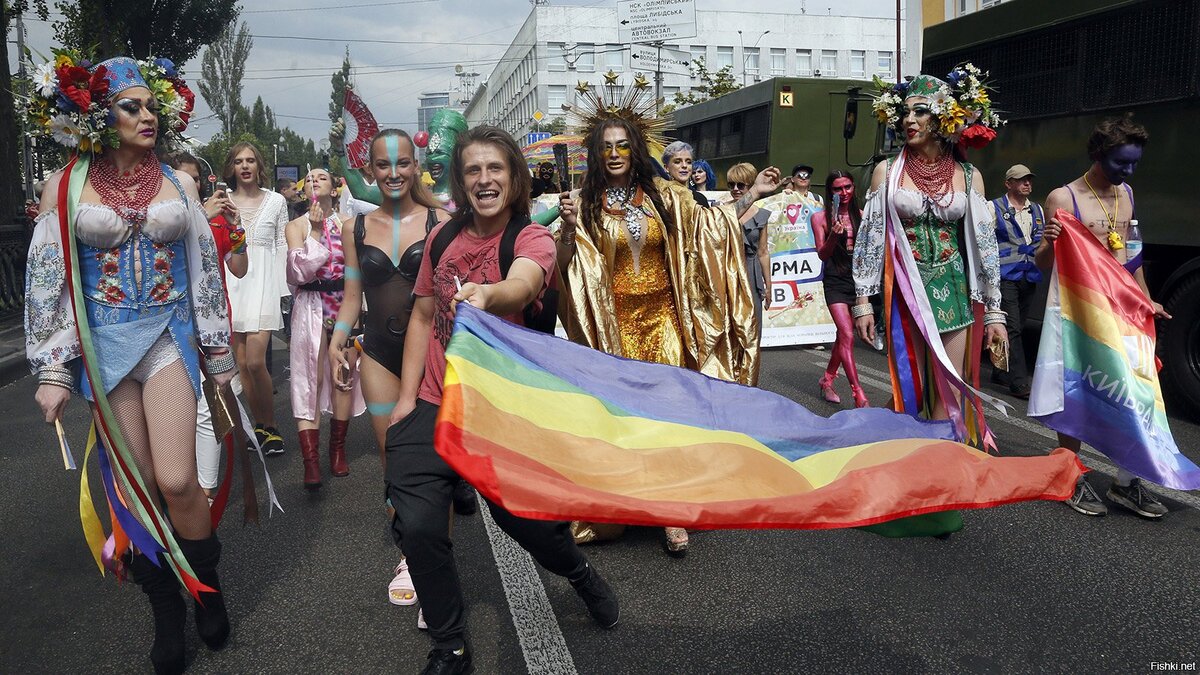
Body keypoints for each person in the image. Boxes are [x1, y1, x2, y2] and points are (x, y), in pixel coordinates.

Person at [25, 54, 233, 673]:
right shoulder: (65, 185)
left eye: (152, 106)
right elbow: (46, 278)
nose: (148, 116)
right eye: (132, 106)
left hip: (168, 336)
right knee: (136, 491)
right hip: (103, 347)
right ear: (97, 115)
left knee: (174, 478)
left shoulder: (179, 182)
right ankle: (166, 612)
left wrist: (218, 352)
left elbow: (203, 267)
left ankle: (207, 586)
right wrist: (54, 371)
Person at [386, 126, 620, 674]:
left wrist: (487, 295)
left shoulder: (529, 238)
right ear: (460, 181)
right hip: (433, 401)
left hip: (502, 412)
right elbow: (423, 315)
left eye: (495, 169)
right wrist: (403, 402)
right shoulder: (442, 239)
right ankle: (450, 646)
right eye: (472, 170)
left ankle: (579, 573)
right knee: (418, 526)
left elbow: (522, 284)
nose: (484, 179)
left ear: (513, 178)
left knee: (531, 528)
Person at [557, 81, 773, 555]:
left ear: (635, 150)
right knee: (622, 420)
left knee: (670, 418)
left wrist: (752, 192)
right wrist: (569, 230)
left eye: (622, 145)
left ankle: (673, 511)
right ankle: (628, 503)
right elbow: (569, 268)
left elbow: (711, 227)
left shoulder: (665, 195)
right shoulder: (585, 202)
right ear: (596, 153)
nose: (614, 154)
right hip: (613, 331)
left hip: (665, 322)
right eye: (606, 147)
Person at [328, 128, 456, 608]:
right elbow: (352, 299)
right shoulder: (355, 229)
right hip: (379, 355)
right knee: (395, 462)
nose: (394, 172)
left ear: (415, 165)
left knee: (430, 462)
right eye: (384, 164)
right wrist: (338, 340)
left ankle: (435, 562)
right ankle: (410, 553)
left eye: (403, 163)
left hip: (429, 358)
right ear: (370, 170)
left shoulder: (442, 223)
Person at [853, 67, 1007, 444]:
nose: (909, 120)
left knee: (950, 395)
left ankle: (938, 476)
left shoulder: (968, 176)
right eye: (904, 112)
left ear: (943, 117)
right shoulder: (886, 172)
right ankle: (901, 468)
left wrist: (995, 312)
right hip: (906, 294)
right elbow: (871, 237)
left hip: (955, 294)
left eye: (920, 111)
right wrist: (863, 302)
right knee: (912, 391)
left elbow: (985, 247)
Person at [1037, 115, 1171, 518]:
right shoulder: (1064, 198)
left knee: (1135, 391)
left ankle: (1126, 483)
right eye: (1120, 163)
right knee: (1076, 389)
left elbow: (1131, 253)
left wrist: (1147, 300)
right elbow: (1045, 265)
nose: (1127, 171)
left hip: (1122, 311)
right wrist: (1046, 244)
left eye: (1133, 164)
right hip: (1078, 313)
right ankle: (1068, 475)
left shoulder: (1126, 193)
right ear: (1098, 155)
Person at [167, 152, 249, 498]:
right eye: (182, 179)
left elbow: (240, 268)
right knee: (176, 407)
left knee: (208, 405)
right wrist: (199, 216)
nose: (191, 185)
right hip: (169, 328)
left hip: (210, 328)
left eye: (196, 179)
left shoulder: (217, 221)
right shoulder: (161, 222)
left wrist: (236, 228)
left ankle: (206, 489)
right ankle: (174, 480)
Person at [285, 169, 365, 489]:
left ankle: (337, 450)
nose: (315, 180)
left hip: (344, 303)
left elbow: (358, 272)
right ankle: (311, 461)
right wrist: (315, 234)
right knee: (311, 378)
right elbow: (298, 273)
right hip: (311, 305)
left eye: (322, 177)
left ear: (335, 187)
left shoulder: (350, 224)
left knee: (343, 377)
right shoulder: (297, 226)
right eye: (310, 179)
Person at [224, 142, 291, 455]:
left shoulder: (276, 201)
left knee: (255, 360)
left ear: (259, 165)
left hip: (263, 283)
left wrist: (282, 291)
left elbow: (281, 246)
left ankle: (272, 425)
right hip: (233, 282)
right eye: (239, 161)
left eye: (251, 160)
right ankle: (259, 426)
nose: (245, 166)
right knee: (241, 364)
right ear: (232, 167)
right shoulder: (222, 203)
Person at [812, 170, 869, 407]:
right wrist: (834, 236)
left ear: (853, 187)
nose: (844, 193)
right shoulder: (820, 218)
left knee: (843, 337)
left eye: (847, 187)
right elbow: (822, 255)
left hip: (857, 281)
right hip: (834, 279)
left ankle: (826, 380)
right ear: (830, 191)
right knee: (846, 334)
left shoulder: (863, 215)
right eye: (838, 189)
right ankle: (859, 394)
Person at [990, 164, 1044, 399]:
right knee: (1012, 328)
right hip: (1005, 276)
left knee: (1019, 326)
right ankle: (1019, 382)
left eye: (1029, 180)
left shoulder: (1037, 210)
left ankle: (999, 369)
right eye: (1021, 180)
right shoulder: (994, 208)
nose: (1027, 183)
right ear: (1008, 183)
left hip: (1029, 275)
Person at [726, 162, 772, 331]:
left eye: (741, 185)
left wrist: (768, 286)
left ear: (752, 185)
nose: (736, 189)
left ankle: (750, 357)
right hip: (728, 271)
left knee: (752, 324)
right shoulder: (721, 210)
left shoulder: (761, 215)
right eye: (731, 184)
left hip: (751, 273)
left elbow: (763, 252)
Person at [661, 140, 709, 207]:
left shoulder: (700, 199)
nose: (684, 165)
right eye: (677, 162)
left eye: (688, 162)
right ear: (666, 168)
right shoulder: (660, 197)